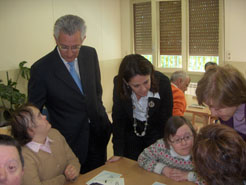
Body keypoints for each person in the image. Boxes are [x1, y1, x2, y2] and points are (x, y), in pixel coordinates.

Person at [28, 14, 111, 173]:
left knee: (99, 177)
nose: (70, 53)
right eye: (64, 46)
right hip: (69, 141)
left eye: (76, 47)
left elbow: (96, 91)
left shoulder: (90, 54)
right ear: (55, 39)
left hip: (98, 133)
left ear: (83, 38)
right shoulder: (41, 69)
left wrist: (103, 119)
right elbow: (33, 111)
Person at [108, 54, 173, 162]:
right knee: (131, 169)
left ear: (151, 75)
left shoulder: (163, 83)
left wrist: (165, 149)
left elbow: (166, 120)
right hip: (131, 134)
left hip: (156, 133)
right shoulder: (118, 82)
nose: (143, 89)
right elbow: (118, 119)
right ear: (126, 82)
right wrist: (118, 152)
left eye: (146, 82)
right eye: (136, 86)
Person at [10, 103, 81, 185]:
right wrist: (64, 178)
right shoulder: (24, 156)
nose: (45, 116)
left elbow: (73, 160)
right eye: (39, 116)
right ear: (30, 130)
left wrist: (74, 170)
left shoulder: (55, 134)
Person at [138, 116, 205, 185]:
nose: (184, 143)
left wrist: (189, 176)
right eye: (177, 140)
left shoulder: (202, 151)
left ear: (194, 135)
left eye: (187, 137)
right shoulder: (161, 146)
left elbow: (213, 178)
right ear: (168, 141)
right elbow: (142, 158)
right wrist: (163, 169)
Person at [196, 65, 246, 140]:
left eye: (218, 108)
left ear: (234, 98)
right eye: (210, 106)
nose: (213, 114)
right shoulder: (226, 112)